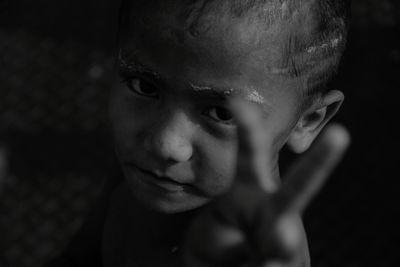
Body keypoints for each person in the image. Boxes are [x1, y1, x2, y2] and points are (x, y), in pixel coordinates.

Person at [44, 0, 351, 266]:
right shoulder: (141, 175)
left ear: (306, 122)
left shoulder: (262, 252)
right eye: (144, 87)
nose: (166, 143)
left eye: (222, 113)